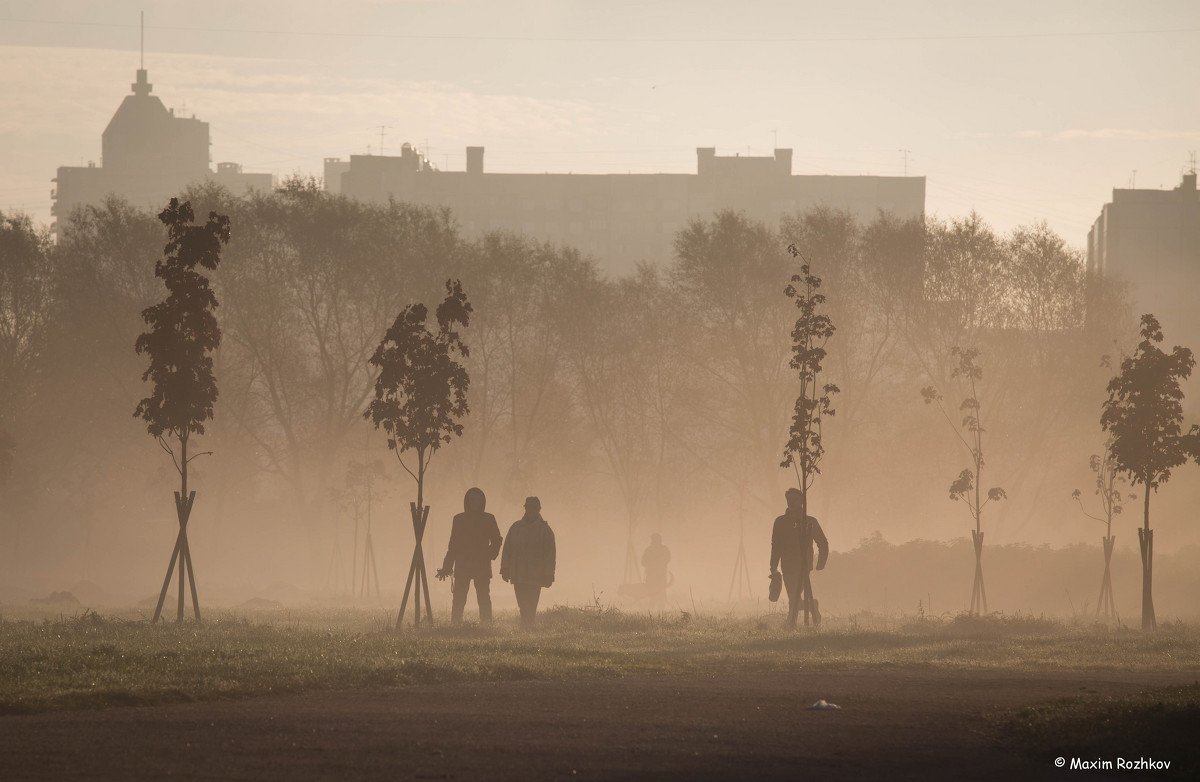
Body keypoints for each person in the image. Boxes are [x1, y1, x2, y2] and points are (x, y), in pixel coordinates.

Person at [436, 487, 503, 624]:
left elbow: (497, 539)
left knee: (483, 597)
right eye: (472, 499)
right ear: (467, 501)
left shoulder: (488, 519)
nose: (475, 502)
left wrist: (490, 554)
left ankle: (486, 625)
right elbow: (453, 545)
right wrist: (447, 567)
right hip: (463, 564)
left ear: (482, 501)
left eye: (477, 499)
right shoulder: (459, 519)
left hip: (481, 565)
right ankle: (455, 624)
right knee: (459, 598)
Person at [769, 488, 829, 628]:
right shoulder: (780, 522)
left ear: (801, 502)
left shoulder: (810, 521)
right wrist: (773, 565)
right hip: (787, 564)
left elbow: (822, 542)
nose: (791, 503)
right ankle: (810, 606)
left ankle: (791, 623)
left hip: (804, 564)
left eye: (794, 500)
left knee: (794, 595)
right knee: (793, 595)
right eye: (788, 500)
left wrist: (821, 562)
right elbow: (776, 545)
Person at [500, 496, 556, 629]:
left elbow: (550, 554)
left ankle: (527, 627)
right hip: (518, 574)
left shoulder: (545, 530)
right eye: (528, 508)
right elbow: (507, 549)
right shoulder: (515, 527)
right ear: (525, 509)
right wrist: (505, 568)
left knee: (531, 605)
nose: (531, 510)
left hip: (535, 576)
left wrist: (548, 574)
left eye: (533, 508)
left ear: (539, 509)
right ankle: (526, 628)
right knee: (522, 604)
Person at [642, 533, 672, 598]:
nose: (653, 541)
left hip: (657, 575)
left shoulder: (650, 549)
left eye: (654, 539)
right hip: (654, 575)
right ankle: (656, 606)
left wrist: (652, 562)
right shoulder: (663, 549)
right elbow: (643, 562)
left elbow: (666, 559)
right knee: (654, 592)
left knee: (658, 592)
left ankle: (658, 606)